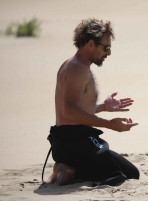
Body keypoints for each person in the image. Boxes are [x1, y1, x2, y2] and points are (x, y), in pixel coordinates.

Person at [46, 18, 139, 186]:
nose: (109, 53)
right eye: (106, 47)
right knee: (116, 175)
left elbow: (74, 110)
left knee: (132, 173)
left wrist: (103, 107)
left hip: (71, 141)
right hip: (73, 141)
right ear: (90, 44)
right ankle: (69, 170)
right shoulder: (77, 68)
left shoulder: (74, 65)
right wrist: (110, 124)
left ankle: (66, 166)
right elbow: (69, 111)